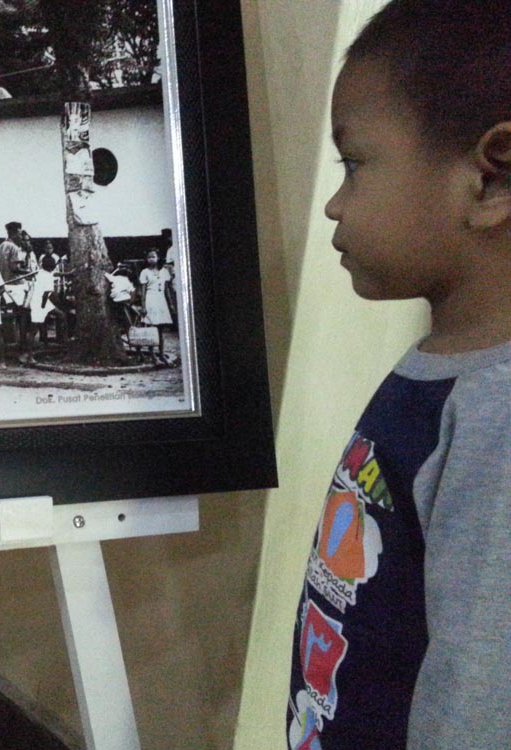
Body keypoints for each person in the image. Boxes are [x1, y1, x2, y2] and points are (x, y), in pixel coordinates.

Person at [285, 3, 511, 749]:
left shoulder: (499, 418)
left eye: (354, 164)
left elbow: (478, 706)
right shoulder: (445, 368)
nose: (333, 203)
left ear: (491, 181)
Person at [20, 254, 65, 363]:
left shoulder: (41, 272)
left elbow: (56, 274)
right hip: (39, 303)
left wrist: (68, 273)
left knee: (62, 315)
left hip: (43, 301)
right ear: (52, 266)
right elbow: (46, 294)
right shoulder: (48, 277)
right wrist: (43, 308)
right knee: (33, 330)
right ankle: (30, 356)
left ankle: (63, 343)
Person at [138, 249, 172, 357]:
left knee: (161, 329)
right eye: (149, 257)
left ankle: (161, 353)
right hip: (150, 300)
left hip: (161, 300)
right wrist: (143, 306)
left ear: (158, 258)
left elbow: (167, 289)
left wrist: (171, 304)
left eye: (153, 256)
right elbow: (143, 291)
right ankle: (152, 354)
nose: (151, 259)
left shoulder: (164, 272)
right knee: (151, 328)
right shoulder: (145, 272)